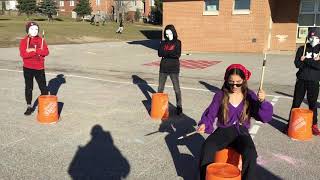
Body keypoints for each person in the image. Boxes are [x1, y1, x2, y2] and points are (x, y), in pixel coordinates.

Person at [197, 64, 273, 180]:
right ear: (227, 80)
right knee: (207, 147)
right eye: (231, 82)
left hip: (241, 131)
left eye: (238, 82)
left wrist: (262, 102)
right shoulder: (220, 95)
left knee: (251, 153)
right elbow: (210, 113)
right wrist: (204, 124)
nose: (235, 86)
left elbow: (264, 117)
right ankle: (205, 177)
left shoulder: (250, 95)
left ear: (244, 80)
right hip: (223, 130)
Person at [289, 27, 320, 135]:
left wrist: (306, 60)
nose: (313, 39)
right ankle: (290, 123)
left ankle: (314, 125)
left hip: (314, 81)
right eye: (311, 36)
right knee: (296, 103)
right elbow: (297, 64)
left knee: (312, 104)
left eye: (315, 36)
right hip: (301, 80)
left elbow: (318, 66)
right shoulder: (302, 49)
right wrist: (313, 62)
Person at [19, 22, 49, 115]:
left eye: (36, 29)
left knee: (43, 88)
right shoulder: (24, 41)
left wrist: (34, 50)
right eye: (32, 29)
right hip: (28, 68)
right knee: (29, 87)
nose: (34, 31)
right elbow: (23, 54)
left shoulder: (41, 40)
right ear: (27, 30)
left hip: (39, 68)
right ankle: (29, 106)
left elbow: (46, 52)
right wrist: (38, 52)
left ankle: (43, 106)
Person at [157, 24, 183, 115]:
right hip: (163, 68)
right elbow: (160, 53)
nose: (168, 35)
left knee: (176, 89)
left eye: (169, 33)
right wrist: (170, 52)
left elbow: (177, 54)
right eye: (166, 34)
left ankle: (179, 106)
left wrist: (166, 53)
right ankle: (158, 107)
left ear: (173, 32)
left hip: (174, 68)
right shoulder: (163, 42)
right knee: (160, 88)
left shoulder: (178, 42)